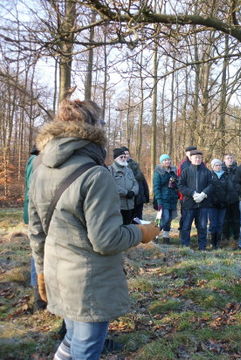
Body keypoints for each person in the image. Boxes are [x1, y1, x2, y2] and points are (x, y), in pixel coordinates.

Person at [28, 98, 159, 360]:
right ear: (94, 128)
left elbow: (36, 230)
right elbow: (106, 240)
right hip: (88, 283)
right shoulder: (96, 174)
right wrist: (142, 234)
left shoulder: (40, 168)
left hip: (57, 273)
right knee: (85, 349)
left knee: (72, 339)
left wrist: (41, 272)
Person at [23, 145, 47, 312]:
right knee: (38, 251)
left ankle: (40, 296)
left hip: (34, 212)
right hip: (38, 213)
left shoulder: (33, 160)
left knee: (37, 250)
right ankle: (39, 298)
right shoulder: (38, 162)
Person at [178, 150, 212, 250]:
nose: (197, 159)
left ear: (201, 159)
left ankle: (202, 247)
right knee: (186, 226)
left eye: (199, 158)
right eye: (195, 157)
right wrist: (192, 193)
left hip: (203, 204)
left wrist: (203, 194)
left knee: (202, 227)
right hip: (189, 204)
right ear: (191, 158)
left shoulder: (206, 171)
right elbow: (180, 186)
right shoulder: (186, 171)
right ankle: (185, 246)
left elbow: (211, 185)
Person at [153, 154, 179, 244]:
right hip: (163, 199)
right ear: (161, 162)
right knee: (164, 218)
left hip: (172, 199)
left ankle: (166, 237)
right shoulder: (158, 172)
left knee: (170, 218)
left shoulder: (173, 171)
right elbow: (156, 187)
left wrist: (175, 183)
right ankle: (153, 234)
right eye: (165, 160)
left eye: (168, 160)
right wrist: (159, 200)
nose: (167, 162)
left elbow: (177, 185)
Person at [109, 148, 139, 225]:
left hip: (130, 205)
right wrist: (126, 193)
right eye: (121, 157)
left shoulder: (129, 170)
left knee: (128, 226)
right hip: (117, 206)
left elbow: (135, 183)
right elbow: (111, 186)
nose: (123, 159)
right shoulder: (110, 170)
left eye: (124, 157)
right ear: (115, 159)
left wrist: (133, 192)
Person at [209, 159, 233, 249]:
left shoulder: (225, 176)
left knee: (220, 223)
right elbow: (208, 189)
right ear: (212, 166)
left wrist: (226, 200)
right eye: (216, 165)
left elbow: (230, 189)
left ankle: (218, 242)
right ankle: (212, 242)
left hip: (223, 205)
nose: (218, 167)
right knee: (213, 224)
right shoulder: (209, 175)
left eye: (219, 165)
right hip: (212, 205)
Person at [120, 146, 149, 220]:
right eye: (123, 154)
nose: (126, 156)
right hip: (126, 199)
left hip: (138, 198)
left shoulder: (135, 165)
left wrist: (146, 195)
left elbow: (143, 181)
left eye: (127, 154)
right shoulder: (117, 168)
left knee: (138, 220)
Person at [177, 146, 197, 230]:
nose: (192, 153)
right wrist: (181, 195)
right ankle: (182, 232)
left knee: (197, 217)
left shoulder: (200, 163)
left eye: (194, 151)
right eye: (190, 151)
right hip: (185, 196)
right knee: (185, 216)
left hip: (198, 195)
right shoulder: (183, 164)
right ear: (186, 153)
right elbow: (179, 181)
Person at [222, 154, 240, 243]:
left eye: (231, 158)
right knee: (225, 219)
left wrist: (238, 192)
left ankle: (236, 236)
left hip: (235, 199)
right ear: (224, 160)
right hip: (224, 199)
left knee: (236, 219)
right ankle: (225, 236)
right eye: (227, 158)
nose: (229, 160)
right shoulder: (220, 170)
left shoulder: (238, 170)